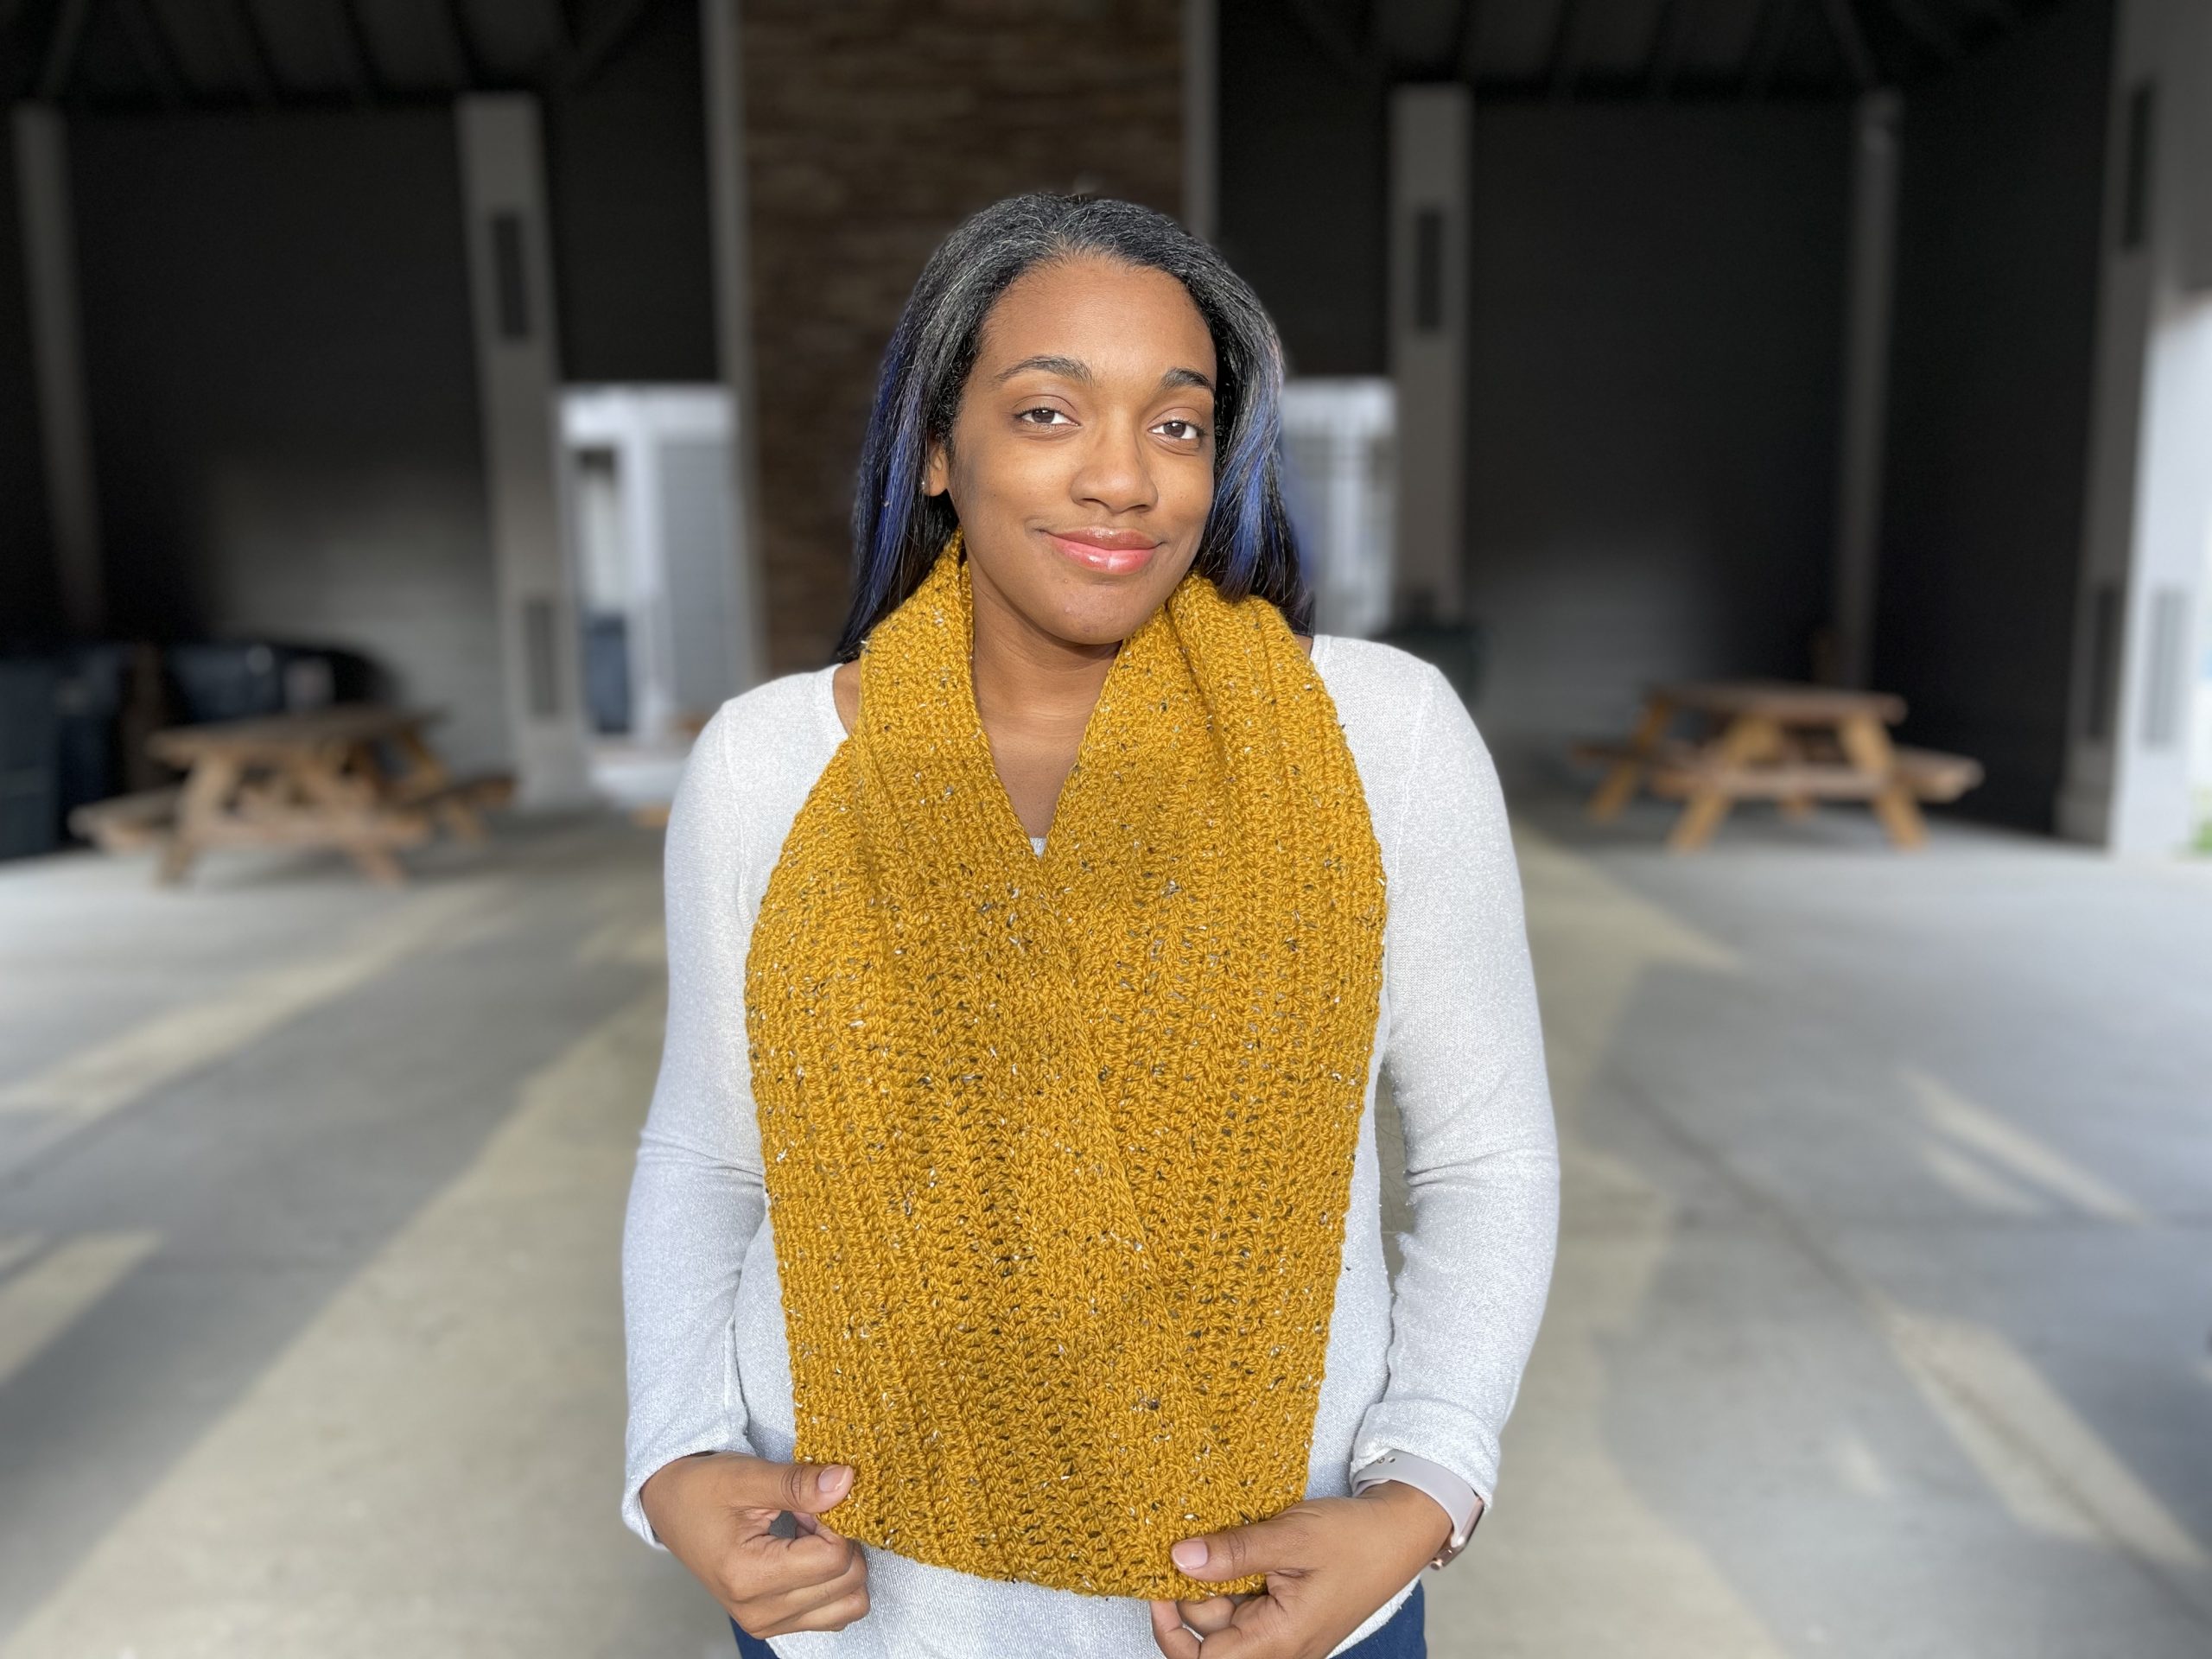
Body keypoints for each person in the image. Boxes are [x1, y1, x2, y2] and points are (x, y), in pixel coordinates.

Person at [620, 193, 1559, 1659]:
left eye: (1177, 426)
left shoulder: (1378, 739)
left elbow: (1485, 1150)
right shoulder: (769, 763)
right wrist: (671, 1457)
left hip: (1281, 1590)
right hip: (865, 1601)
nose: (1123, 478)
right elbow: (706, 1148)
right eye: (1050, 411)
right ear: (939, 448)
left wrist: (1425, 1491)